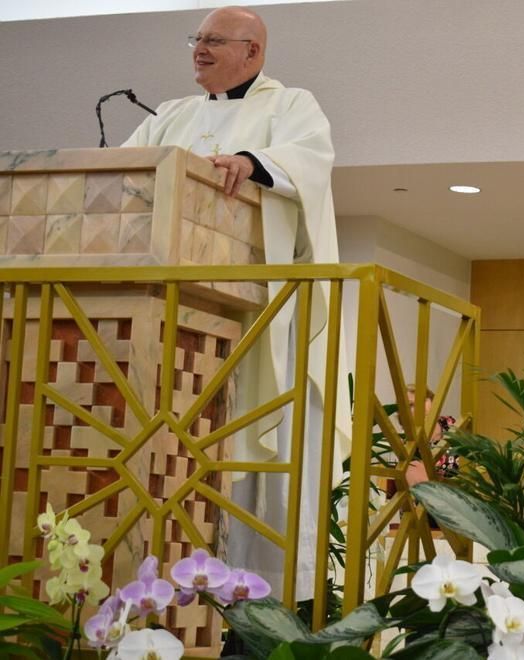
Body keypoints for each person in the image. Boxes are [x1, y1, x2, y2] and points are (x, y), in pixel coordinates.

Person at [123, 6, 351, 601]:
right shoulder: (169, 116)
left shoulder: (290, 104)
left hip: (257, 310)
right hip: (172, 315)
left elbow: (309, 159)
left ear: (253, 52)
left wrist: (252, 165)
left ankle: (260, 602)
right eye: (195, 39)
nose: (198, 49)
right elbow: (125, 178)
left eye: (213, 41)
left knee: (255, 438)